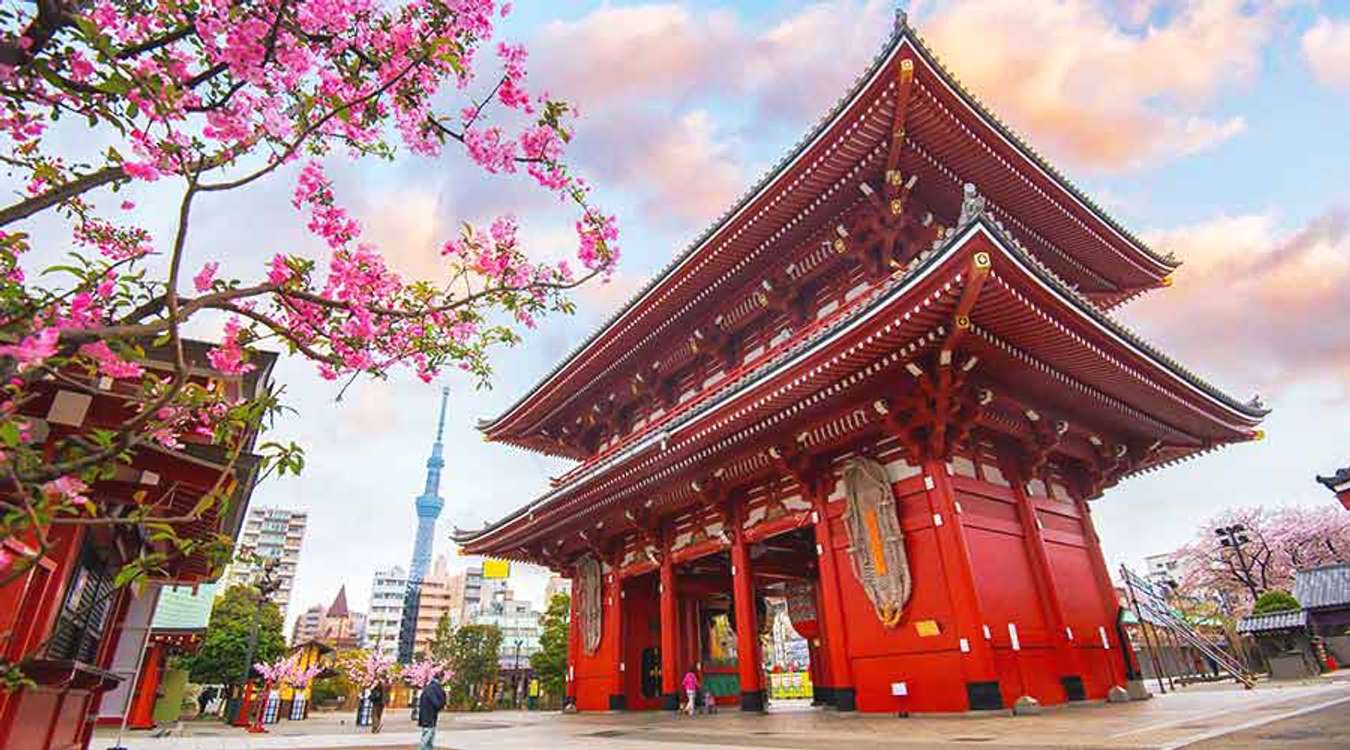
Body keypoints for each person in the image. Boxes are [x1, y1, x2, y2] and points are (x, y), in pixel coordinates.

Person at [418, 675, 447, 750]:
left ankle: (427, 748)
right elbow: (436, 702)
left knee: (428, 732)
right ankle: (423, 748)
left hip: (426, 715)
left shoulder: (428, 688)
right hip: (430, 715)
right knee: (429, 733)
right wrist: (440, 705)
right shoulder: (433, 689)